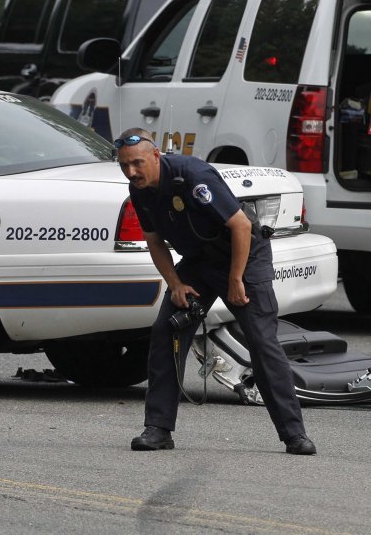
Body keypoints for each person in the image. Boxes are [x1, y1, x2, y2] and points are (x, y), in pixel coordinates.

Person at [115, 127, 316, 455]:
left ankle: (294, 434)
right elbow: (154, 241)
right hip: (198, 262)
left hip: (243, 258)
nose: (131, 171)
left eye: (137, 163)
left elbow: (241, 226)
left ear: (156, 156)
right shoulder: (139, 190)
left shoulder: (192, 175)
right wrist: (175, 284)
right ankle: (158, 429)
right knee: (167, 332)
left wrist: (236, 280)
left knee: (262, 344)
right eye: (125, 165)